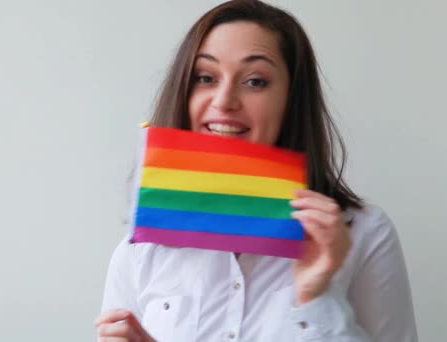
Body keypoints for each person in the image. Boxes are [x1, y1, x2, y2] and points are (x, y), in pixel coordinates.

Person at [95, 0, 418, 341]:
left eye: (255, 81)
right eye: (205, 77)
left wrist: (314, 298)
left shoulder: (363, 233)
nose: (223, 100)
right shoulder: (140, 249)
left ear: (291, 99)